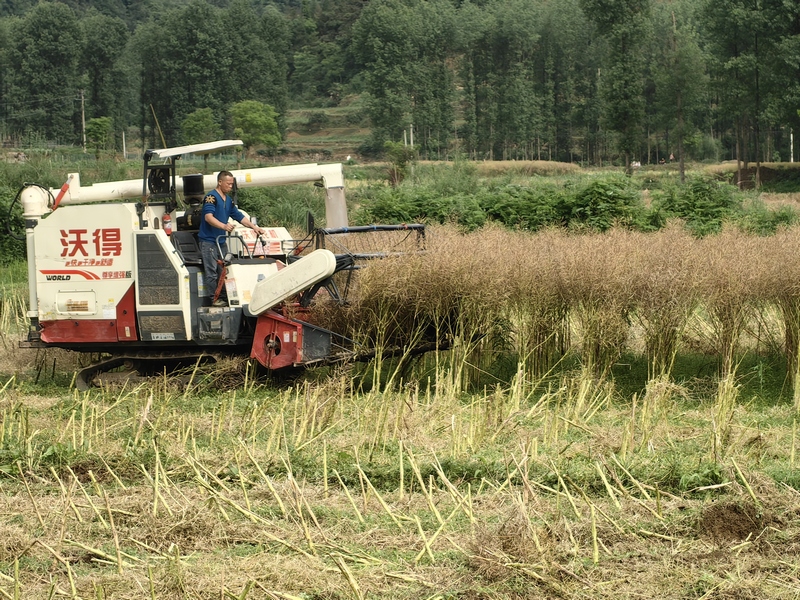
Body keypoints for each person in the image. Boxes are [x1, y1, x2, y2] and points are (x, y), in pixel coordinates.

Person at [199, 170, 266, 306]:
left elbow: (239, 216)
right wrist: (223, 226)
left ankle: (225, 297)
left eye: (231, 184)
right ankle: (215, 299)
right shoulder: (211, 197)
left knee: (225, 270)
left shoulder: (228, 200)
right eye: (228, 184)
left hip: (221, 241)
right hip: (209, 241)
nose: (230, 186)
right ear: (220, 182)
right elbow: (208, 217)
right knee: (212, 272)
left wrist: (254, 227)